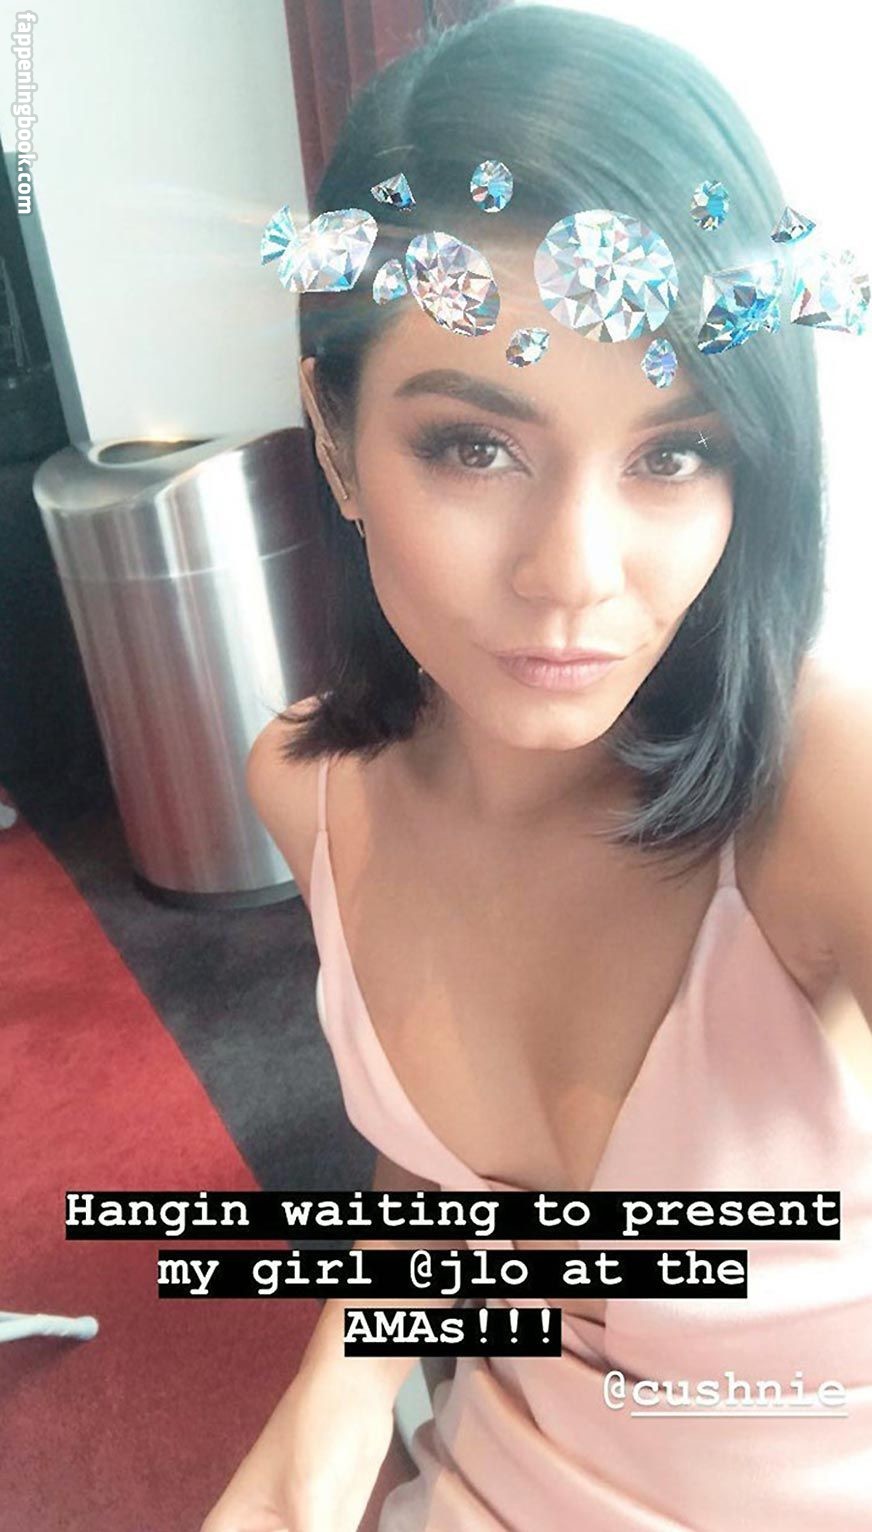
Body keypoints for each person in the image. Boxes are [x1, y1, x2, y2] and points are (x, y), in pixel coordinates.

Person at [202, 6, 872, 1529]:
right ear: (335, 438)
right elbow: (454, 1197)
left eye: (674, 453)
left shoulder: (826, 791)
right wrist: (315, 1449)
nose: (575, 574)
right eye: (474, 447)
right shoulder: (306, 790)